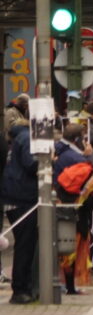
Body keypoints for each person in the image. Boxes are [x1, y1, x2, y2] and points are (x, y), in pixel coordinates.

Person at [2, 117, 37, 303]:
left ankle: (24, 286)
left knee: (24, 244)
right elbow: (31, 164)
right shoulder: (26, 139)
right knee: (25, 245)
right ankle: (21, 289)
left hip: (14, 196)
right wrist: (48, 159)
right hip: (24, 197)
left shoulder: (16, 140)